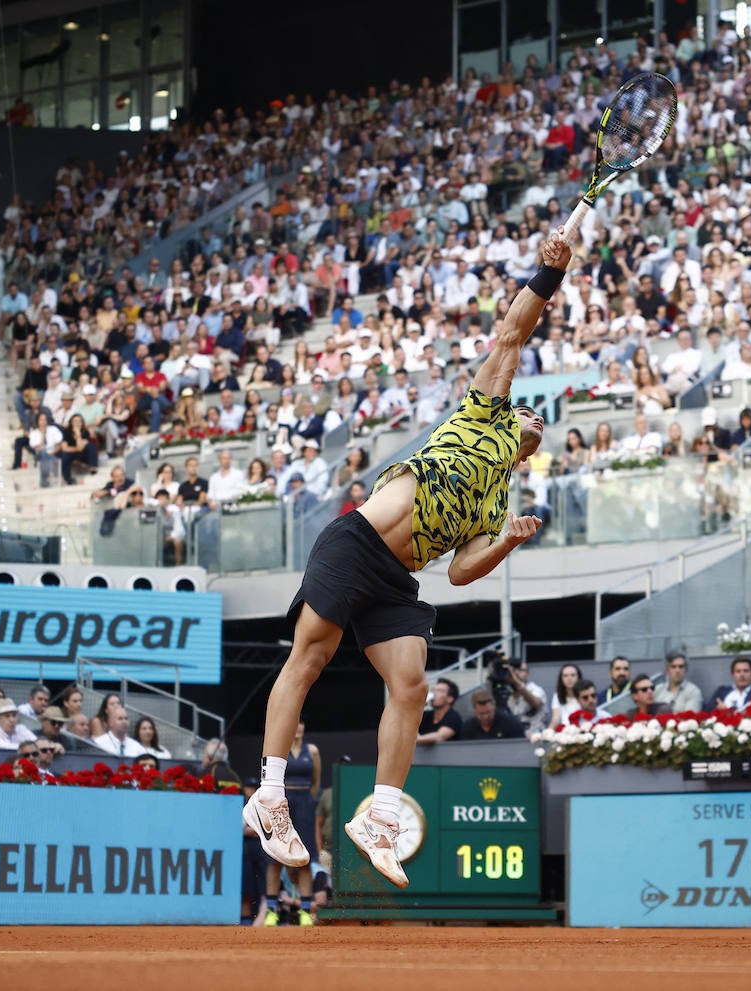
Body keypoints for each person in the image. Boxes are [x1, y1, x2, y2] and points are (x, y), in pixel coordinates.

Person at [245, 235, 571, 889]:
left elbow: (458, 571)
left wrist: (506, 540)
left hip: (399, 577)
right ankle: (271, 793)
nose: (536, 419)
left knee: (412, 686)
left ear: (530, 451)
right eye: (531, 412)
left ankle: (382, 817)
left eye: (542, 424)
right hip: (356, 541)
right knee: (307, 659)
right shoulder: (485, 413)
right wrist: (548, 274)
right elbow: (512, 331)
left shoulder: (495, 498)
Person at [264, 720, 321, 927]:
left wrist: (305, 802)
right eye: (294, 722)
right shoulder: (278, 748)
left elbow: (316, 782)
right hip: (282, 805)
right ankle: (271, 911)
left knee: (303, 858)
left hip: (305, 804)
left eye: (301, 723)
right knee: (275, 858)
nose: (297, 726)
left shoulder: (312, 751)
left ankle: (305, 911)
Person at [500, 658, 547, 733]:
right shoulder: (508, 695)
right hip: (517, 736)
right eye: (513, 671)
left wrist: (518, 683)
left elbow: (535, 703)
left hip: (536, 734)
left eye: (522, 670)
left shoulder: (535, 689)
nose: (515, 674)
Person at [417, 678, 462, 744]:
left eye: (440, 691)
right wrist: (418, 706)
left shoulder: (453, 717)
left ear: (450, 699)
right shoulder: (425, 716)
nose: (434, 694)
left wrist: (417, 739)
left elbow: (439, 736)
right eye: (434, 690)